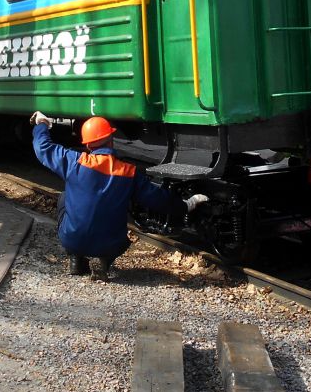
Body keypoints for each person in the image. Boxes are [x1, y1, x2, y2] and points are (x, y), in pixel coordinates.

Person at [30, 112, 197, 280]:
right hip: (111, 244)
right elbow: (158, 199)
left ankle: (75, 258)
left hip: (72, 239)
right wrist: (186, 205)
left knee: (65, 197)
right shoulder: (128, 173)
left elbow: (43, 148)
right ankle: (104, 260)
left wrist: (41, 124)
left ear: (88, 145)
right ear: (111, 139)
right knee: (114, 225)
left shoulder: (74, 162)